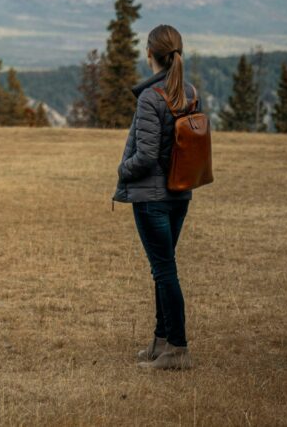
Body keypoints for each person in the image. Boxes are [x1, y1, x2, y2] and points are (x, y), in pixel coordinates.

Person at [113, 24, 199, 370]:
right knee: (162, 268)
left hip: (152, 198)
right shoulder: (189, 92)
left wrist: (123, 169)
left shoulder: (151, 97)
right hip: (180, 194)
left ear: (150, 54)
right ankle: (162, 341)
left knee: (164, 270)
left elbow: (146, 155)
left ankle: (177, 349)